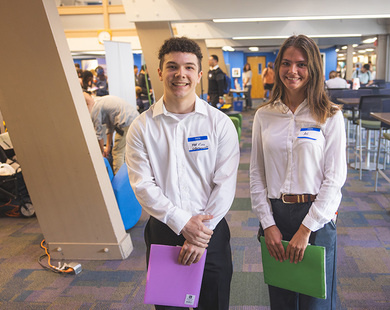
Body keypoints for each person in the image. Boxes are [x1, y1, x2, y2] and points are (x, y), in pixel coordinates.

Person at [125, 37, 240, 310]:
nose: (180, 74)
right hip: (164, 231)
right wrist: (182, 223)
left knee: (215, 303)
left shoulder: (219, 124)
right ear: (160, 72)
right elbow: (143, 185)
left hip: (211, 232)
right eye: (172, 67)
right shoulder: (142, 128)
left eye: (189, 67)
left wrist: (200, 234)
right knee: (169, 306)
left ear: (199, 75)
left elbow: (225, 184)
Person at [250, 35, 347, 310]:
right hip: (276, 216)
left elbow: (335, 178)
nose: (292, 71)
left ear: (313, 68)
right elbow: (257, 175)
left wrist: (307, 229)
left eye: (301, 64)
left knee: (316, 301)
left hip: (316, 218)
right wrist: (268, 224)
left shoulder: (330, 115)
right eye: (287, 63)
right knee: (281, 299)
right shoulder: (264, 115)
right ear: (278, 66)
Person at [87, 93, 139, 174]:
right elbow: (110, 126)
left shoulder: (94, 109)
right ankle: (126, 176)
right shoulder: (99, 101)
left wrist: (101, 153)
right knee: (124, 152)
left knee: (118, 152)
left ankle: (119, 178)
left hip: (126, 123)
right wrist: (108, 146)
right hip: (132, 120)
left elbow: (99, 135)